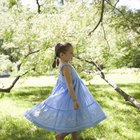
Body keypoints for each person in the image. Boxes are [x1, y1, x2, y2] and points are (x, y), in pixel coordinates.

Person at [24, 42, 107, 140]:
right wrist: (75, 100)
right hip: (71, 97)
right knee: (74, 122)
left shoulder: (65, 64)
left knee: (76, 120)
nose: (73, 55)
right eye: (71, 53)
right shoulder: (66, 67)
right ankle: (60, 136)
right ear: (62, 55)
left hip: (74, 95)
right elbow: (69, 85)